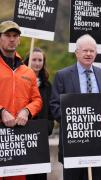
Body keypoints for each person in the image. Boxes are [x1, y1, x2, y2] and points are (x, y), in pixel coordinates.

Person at [50, 34, 101, 180]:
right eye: (85, 50)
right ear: (77, 52)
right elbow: (54, 105)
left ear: (96, 53)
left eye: (92, 51)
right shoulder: (62, 75)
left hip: (98, 146)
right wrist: (75, 121)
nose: (88, 54)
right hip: (73, 144)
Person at [0, 21, 42, 180]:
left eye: (15, 36)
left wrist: (27, 110)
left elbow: (37, 100)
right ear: (0, 38)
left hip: (17, 141)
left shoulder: (28, 72)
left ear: (19, 40)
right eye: (7, 35)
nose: (11, 39)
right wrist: (2, 111)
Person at [24, 47, 54, 180]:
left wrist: (48, 127)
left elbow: (51, 111)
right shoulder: (20, 82)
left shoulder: (48, 86)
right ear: (27, 61)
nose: (37, 63)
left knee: (40, 175)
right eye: (34, 59)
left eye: (40, 60)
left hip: (41, 138)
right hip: (23, 137)